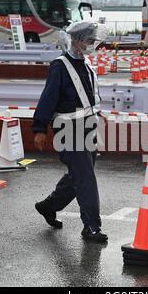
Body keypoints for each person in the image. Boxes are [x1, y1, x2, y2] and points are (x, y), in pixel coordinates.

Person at [32, 21, 108, 243]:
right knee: (85, 178)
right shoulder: (60, 66)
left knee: (80, 174)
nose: (93, 44)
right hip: (68, 128)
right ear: (76, 41)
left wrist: (98, 115)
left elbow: (87, 97)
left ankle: (49, 206)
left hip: (88, 126)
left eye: (94, 41)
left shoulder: (86, 65)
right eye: (89, 40)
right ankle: (91, 227)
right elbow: (48, 98)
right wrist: (39, 128)